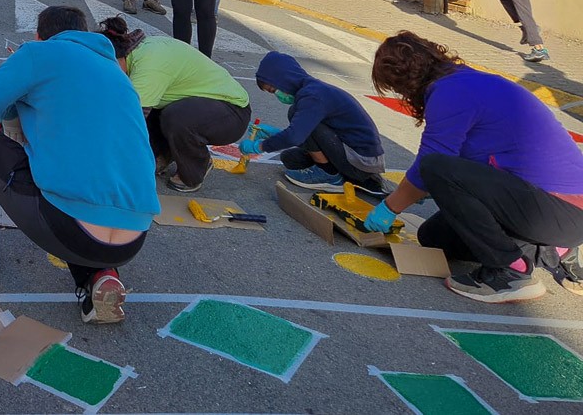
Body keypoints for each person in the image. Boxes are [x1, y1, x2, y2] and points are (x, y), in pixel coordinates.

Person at [0, 6, 159, 324]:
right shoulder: (115, 70)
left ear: (39, 36)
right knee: (83, 179)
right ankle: (99, 275)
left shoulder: (38, 54)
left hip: (67, 227)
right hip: (134, 236)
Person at [364, 32, 583, 302]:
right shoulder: (463, 81)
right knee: (434, 236)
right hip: (552, 209)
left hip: (560, 210)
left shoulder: (451, 92)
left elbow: (430, 164)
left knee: (435, 167)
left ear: (405, 82)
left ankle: (510, 272)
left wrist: (389, 208)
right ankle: (550, 250)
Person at [98, 16, 250, 192]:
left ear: (117, 57)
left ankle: (194, 172)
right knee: (153, 114)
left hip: (231, 112)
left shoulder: (148, 65)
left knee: (171, 117)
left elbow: (130, 121)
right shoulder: (136, 53)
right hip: (197, 104)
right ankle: (163, 154)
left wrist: (100, 158)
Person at [241, 51, 386, 194]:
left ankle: (328, 175)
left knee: (294, 113)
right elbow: (306, 136)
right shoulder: (312, 90)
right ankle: (347, 176)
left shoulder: (312, 96)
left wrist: (259, 146)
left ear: (285, 79)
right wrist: (273, 135)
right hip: (353, 153)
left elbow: (296, 136)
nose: (277, 95)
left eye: (273, 90)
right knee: (291, 159)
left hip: (362, 161)